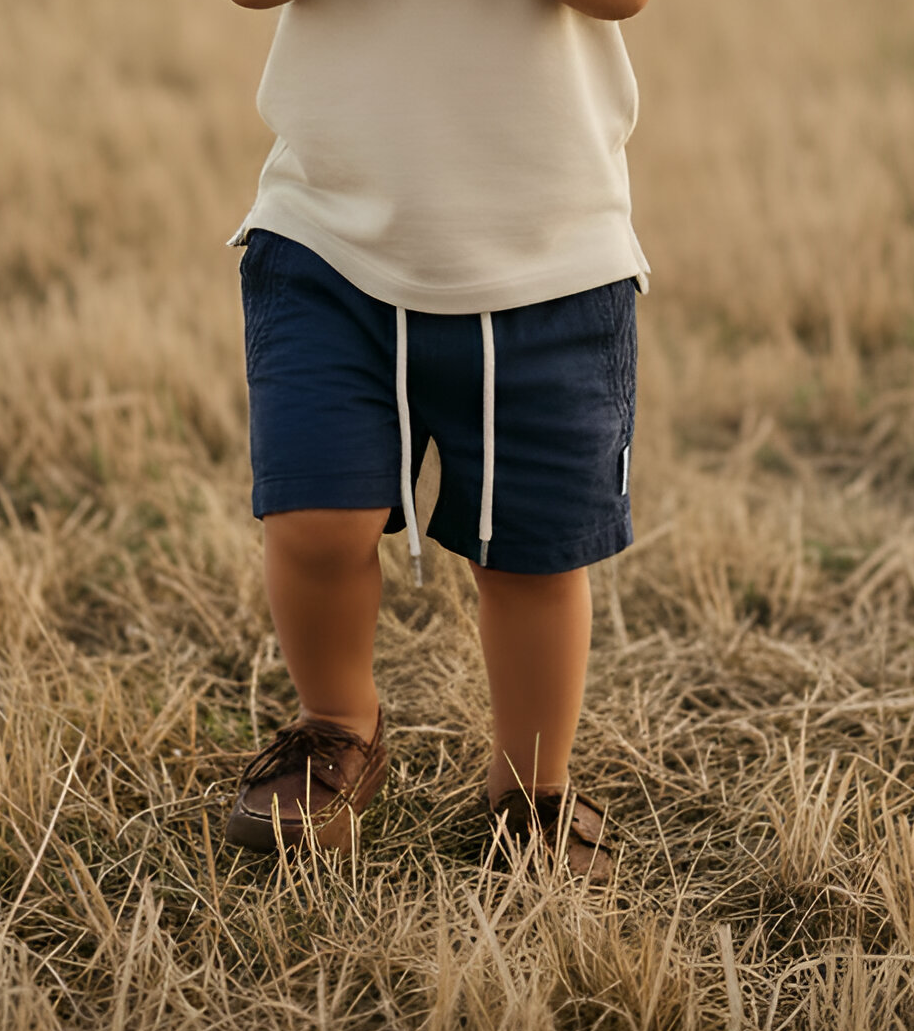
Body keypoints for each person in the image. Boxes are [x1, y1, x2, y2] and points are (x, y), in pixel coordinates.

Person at [223, 0, 652, 884]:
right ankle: (338, 723)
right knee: (313, 519)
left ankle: (530, 787)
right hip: (328, 238)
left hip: (549, 256)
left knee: (531, 557)